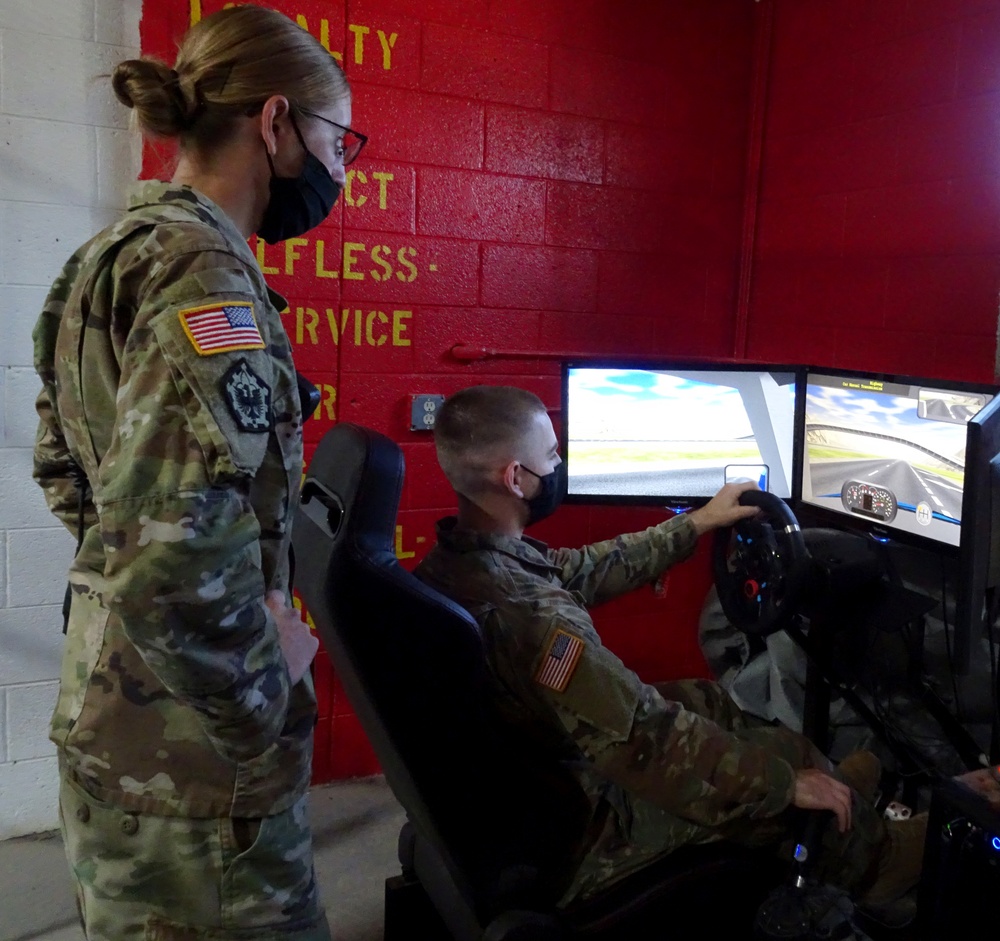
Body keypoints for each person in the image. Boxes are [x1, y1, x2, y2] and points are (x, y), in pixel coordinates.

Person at [32, 6, 364, 939]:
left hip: (116, 721)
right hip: (193, 772)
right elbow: (168, 558)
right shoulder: (206, 278)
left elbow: (69, 474)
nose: (341, 168)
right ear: (275, 123)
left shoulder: (106, 257)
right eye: (339, 140)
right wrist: (266, 705)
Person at [415, 384, 926, 917]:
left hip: (526, 775)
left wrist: (698, 523)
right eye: (552, 455)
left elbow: (584, 568)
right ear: (515, 478)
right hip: (580, 825)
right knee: (784, 772)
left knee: (708, 699)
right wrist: (782, 784)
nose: (561, 463)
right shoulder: (539, 621)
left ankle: (830, 789)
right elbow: (644, 739)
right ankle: (877, 860)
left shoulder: (462, 562)